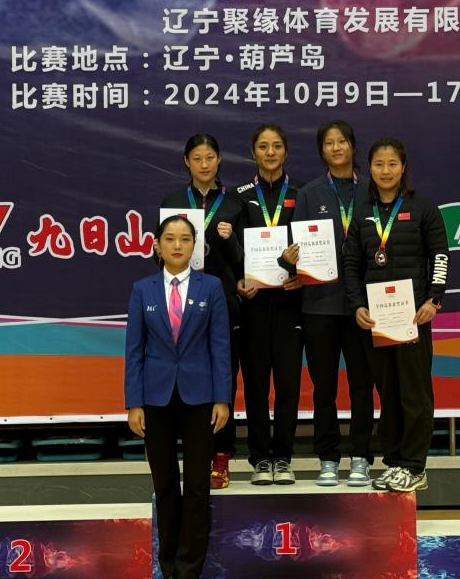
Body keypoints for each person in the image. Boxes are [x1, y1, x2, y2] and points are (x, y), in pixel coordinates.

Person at [125, 215, 231, 579]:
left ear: (194, 246)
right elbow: (134, 350)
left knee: (198, 486)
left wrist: (222, 398)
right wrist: (134, 403)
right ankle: (168, 564)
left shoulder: (211, 287)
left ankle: (189, 568)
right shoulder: (142, 289)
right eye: (169, 238)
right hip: (155, 399)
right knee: (166, 484)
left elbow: (220, 345)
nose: (177, 245)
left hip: (201, 397)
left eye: (185, 239)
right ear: (157, 245)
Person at [342, 137, 449, 493]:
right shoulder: (362, 212)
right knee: (388, 393)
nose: (385, 171)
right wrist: (357, 305)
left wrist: (433, 300)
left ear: (403, 167)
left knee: (414, 393)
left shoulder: (423, 208)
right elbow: (351, 264)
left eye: (392, 164)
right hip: (376, 320)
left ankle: (415, 466)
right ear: (369, 169)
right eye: (378, 164)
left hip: (413, 318)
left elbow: (440, 256)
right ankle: (394, 461)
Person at [280, 120, 375, 487]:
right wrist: (290, 261)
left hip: (363, 306)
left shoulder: (370, 190)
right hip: (319, 305)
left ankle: (361, 457)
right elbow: (296, 248)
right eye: (329, 143)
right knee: (324, 387)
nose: (336, 148)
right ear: (322, 151)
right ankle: (328, 458)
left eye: (342, 141)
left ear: (353, 146)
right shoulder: (310, 193)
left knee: (362, 385)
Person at [159, 134, 245, 490]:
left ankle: (222, 454)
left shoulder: (236, 203)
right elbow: (161, 257)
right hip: (183, 307)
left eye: (210, 157)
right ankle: (196, 452)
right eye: (197, 158)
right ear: (186, 161)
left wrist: (231, 238)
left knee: (224, 377)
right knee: (190, 379)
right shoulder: (174, 203)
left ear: (219, 159)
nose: (204, 164)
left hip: (224, 304)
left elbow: (246, 262)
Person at [235, 124, 305, 485]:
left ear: (286, 151)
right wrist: (239, 281)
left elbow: (316, 247)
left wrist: (302, 275)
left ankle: (284, 457)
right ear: (253, 153)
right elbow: (233, 252)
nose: (270, 152)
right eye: (263, 146)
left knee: (289, 385)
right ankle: (261, 458)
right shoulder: (240, 197)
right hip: (254, 306)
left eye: (277, 146)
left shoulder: (301, 194)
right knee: (256, 385)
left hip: (291, 303)